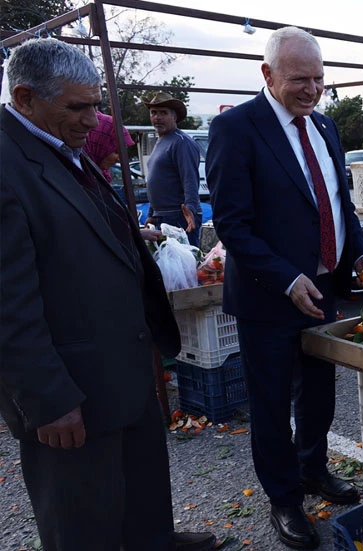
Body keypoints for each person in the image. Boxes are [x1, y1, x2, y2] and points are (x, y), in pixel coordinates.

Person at [0, 38, 214, 551]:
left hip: (121, 361)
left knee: (140, 479)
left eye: (96, 105)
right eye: (79, 107)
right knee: (82, 514)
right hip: (70, 385)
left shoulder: (58, 145)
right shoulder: (7, 163)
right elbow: (8, 305)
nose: (94, 120)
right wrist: (48, 401)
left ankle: (151, 539)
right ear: (25, 98)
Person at [207, 26, 363, 550]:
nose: (311, 89)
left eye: (319, 79)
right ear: (267, 75)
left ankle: (313, 470)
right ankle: (284, 498)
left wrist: (360, 250)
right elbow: (233, 225)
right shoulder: (237, 129)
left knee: (319, 391)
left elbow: (339, 206)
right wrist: (286, 278)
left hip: (323, 288)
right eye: (299, 79)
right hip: (269, 296)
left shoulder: (324, 127)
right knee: (270, 401)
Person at [142, 91, 203, 247]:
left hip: (179, 217)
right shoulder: (161, 141)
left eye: (163, 113)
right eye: (154, 113)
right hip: (162, 217)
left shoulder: (181, 142)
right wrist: (151, 214)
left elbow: (189, 178)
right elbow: (156, 182)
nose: (157, 117)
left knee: (185, 265)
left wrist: (190, 209)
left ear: (174, 117)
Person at [83, 110, 135, 182]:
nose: (119, 159)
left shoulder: (101, 177)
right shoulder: (76, 177)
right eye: (116, 152)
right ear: (99, 144)